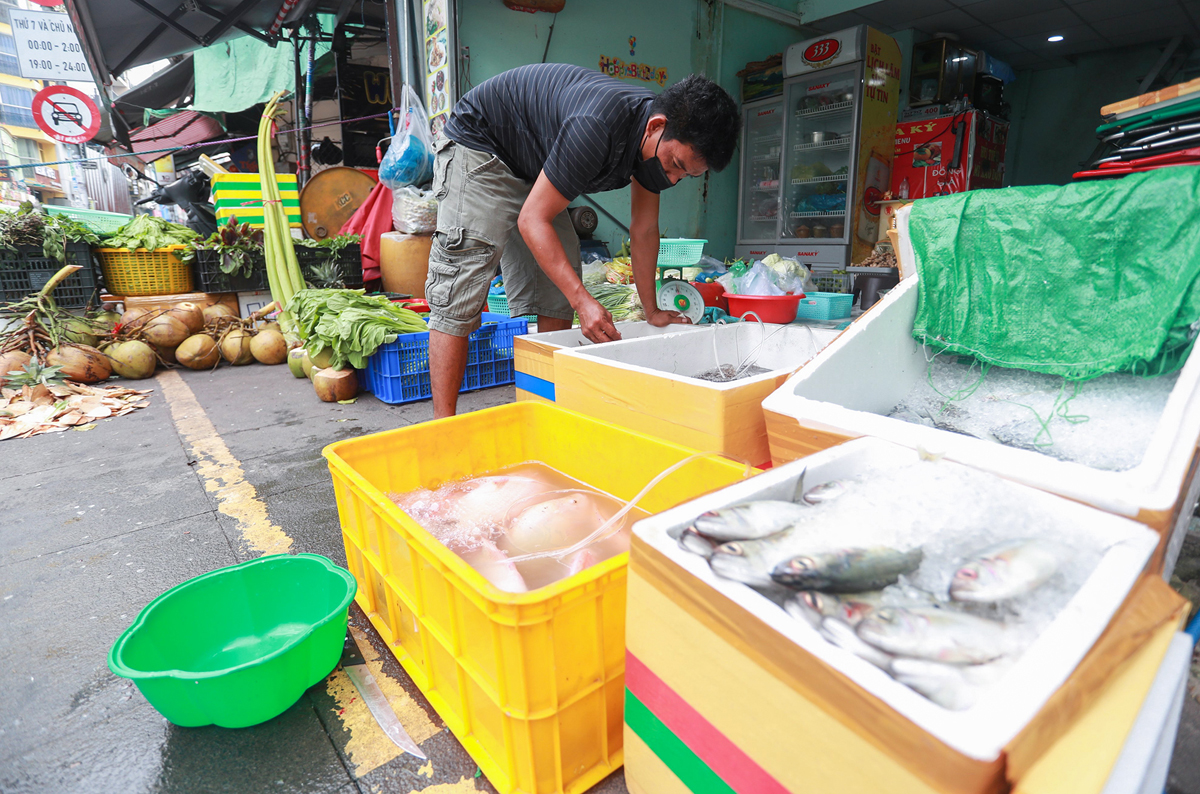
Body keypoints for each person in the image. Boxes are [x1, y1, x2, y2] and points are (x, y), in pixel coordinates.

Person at [426, 63, 741, 418]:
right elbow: (533, 219)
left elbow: (644, 230)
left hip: (533, 164)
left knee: (556, 295)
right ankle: (442, 427)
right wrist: (583, 301)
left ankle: (543, 414)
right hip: (483, 149)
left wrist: (651, 310)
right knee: (459, 291)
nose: (672, 177)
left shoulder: (655, 137)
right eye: (674, 164)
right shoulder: (598, 126)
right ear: (657, 127)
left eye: (686, 174)